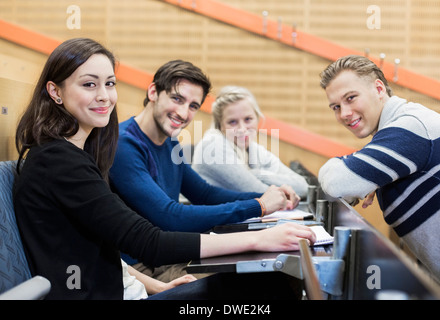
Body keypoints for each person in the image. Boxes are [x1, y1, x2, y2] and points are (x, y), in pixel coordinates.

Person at [13, 38, 315, 300]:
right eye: (89, 84)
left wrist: (155, 287)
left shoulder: (77, 154)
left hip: (129, 284)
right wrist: (258, 231)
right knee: (268, 284)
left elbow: (103, 244)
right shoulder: (61, 161)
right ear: (55, 92)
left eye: (109, 83)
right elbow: (152, 236)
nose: (104, 95)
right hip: (111, 290)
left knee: (265, 279)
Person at [317, 55, 440, 288]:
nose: (344, 114)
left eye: (351, 98)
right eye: (336, 107)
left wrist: (341, 166)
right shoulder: (399, 127)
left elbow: (337, 183)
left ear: (379, 88)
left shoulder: (409, 127)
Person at [192, 85, 309, 198]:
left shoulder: (252, 149)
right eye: (232, 122)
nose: (242, 129)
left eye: (248, 119)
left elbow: (302, 186)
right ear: (220, 125)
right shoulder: (213, 146)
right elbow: (261, 194)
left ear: (257, 118)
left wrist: (255, 174)